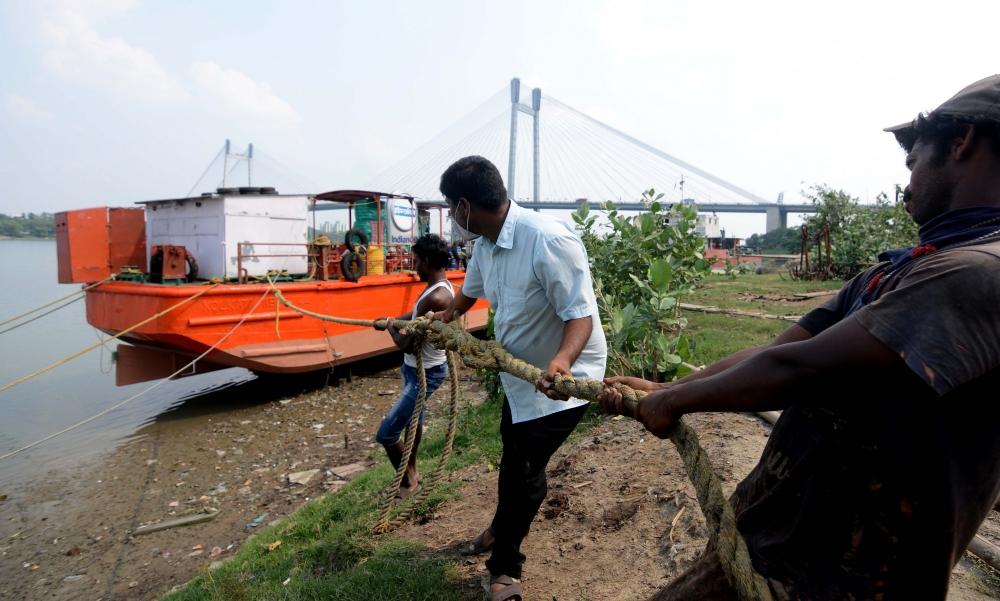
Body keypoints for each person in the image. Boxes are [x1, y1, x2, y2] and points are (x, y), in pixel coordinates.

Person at [598, 74, 1000, 600]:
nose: (905, 187)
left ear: (962, 142)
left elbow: (804, 369)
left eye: (913, 163)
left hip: (846, 579)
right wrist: (677, 387)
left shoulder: (976, 272)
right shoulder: (906, 268)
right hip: (775, 539)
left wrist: (675, 402)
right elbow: (781, 352)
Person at [435, 155, 607, 601]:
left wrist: (563, 361)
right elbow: (469, 294)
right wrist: (445, 316)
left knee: (524, 472)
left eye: (451, 206)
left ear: (465, 206)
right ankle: (498, 530)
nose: (452, 216)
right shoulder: (486, 244)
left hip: (561, 382)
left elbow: (580, 316)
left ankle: (505, 570)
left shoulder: (547, 240)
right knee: (514, 457)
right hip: (520, 380)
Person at [374, 234, 455, 499]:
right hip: (413, 370)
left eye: (417, 261)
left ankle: (408, 479)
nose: (414, 266)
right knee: (413, 422)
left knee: (386, 434)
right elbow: (413, 316)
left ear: (429, 261)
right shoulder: (435, 288)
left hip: (426, 374)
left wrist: (390, 329)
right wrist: (392, 319)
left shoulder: (438, 297)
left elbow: (406, 344)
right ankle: (412, 471)